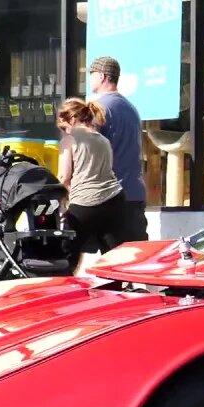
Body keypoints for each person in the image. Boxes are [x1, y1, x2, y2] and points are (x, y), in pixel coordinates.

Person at [56, 98, 126, 272]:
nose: (64, 132)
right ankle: (116, 292)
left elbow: (64, 177)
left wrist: (62, 204)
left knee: (68, 254)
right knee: (111, 256)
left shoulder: (70, 140)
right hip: (114, 200)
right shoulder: (103, 140)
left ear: (72, 120)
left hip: (84, 203)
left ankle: (65, 290)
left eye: (64, 127)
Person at [87, 56, 147, 242]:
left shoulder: (98, 108)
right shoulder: (131, 109)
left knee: (109, 262)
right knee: (134, 260)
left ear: (103, 77)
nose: (89, 79)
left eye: (92, 74)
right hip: (134, 195)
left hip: (110, 197)